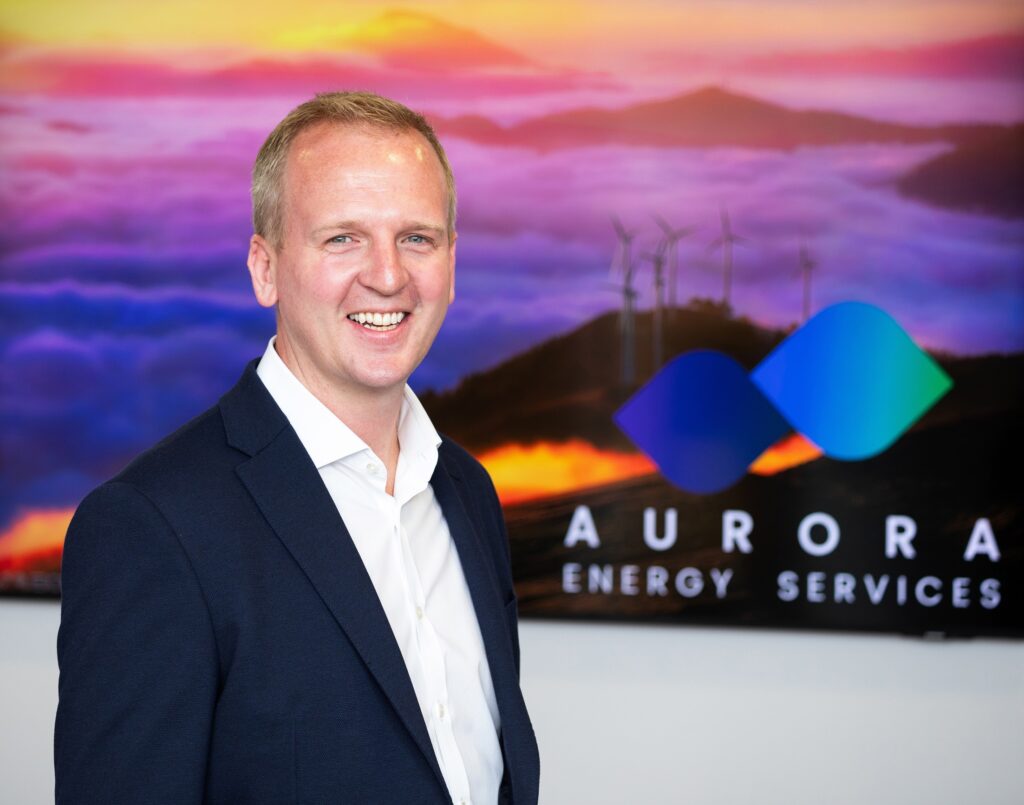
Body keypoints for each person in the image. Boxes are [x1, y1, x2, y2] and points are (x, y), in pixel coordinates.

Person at [54, 91, 539, 805]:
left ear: (452, 261)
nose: (388, 274)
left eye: (418, 237)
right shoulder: (152, 528)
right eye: (342, 237)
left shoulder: (466, 491)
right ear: (265, 268)